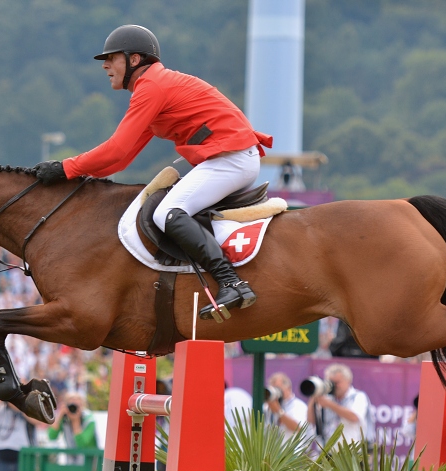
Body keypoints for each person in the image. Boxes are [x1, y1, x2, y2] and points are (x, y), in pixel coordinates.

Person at [32, 24, 273, 320]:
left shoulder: (152, 87)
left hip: (231, 159)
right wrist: (69, 172)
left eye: (112, 58)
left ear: (134, 60)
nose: (106, 65)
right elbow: (120, 160)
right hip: (230, 157)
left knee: (166, 212)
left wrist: (64, 167)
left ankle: (231, 282)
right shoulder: (154, 86)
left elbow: (116, 150)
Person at [305, 363, 371, 446]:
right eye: (330, 382)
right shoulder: (326, 398)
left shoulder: (358, 396)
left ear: (348, 381)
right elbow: (311, 421)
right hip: (327, 452)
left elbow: (354, 417)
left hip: (351, 452)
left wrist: (329, 404)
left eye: (337, 383)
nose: (334, 386)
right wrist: (314, 397)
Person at [263, 372, 309, 444]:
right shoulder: (266, 407)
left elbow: (298, 428)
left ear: (288, 388)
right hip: (270, 453)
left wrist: (278, 411)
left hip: (291, 453)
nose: (276, 392)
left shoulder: (298, 406)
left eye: (278, 388)